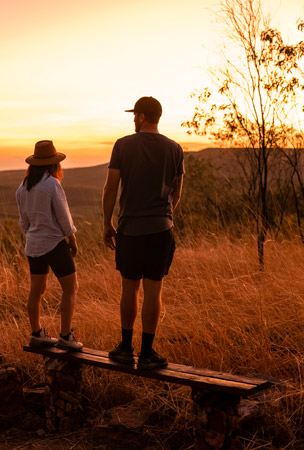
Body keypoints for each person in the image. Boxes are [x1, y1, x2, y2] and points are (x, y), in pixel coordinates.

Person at [102, 97, 184, 370]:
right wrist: (164, 214)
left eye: (134, 115)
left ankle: (126, 348)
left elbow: (110, 188)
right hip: (161, 230)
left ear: (141, 116)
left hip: (130, 229)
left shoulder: (123, 145)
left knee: (129, 288)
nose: (132, 119)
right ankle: (148, 353)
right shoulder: (175, 149)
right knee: (153, 290)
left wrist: (107, 223)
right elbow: (177, 191)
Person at [16, 140, 83, 351]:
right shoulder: (52, 184)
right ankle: (66, 336)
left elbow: (23, 222)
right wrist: (72, 239)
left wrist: (33, 234)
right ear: (54, 164)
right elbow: (64, 217)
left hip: (33, 244)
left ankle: (37, 334)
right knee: (71, 288)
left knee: (36, 290)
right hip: (54, 242)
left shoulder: (23, 187)